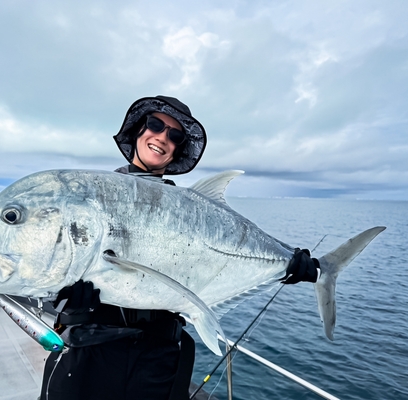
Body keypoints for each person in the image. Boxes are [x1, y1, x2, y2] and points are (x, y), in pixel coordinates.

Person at [39, 95, 320, 400]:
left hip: (158, 359)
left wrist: (285, 264)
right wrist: (68, 299)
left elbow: (225, 258)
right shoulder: (94, 196)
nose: (162, 137)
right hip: (92, 351)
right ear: (137, 130)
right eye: (155, 124)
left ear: (177, 151)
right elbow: (55, 265)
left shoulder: (195, 211)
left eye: (174, 135)